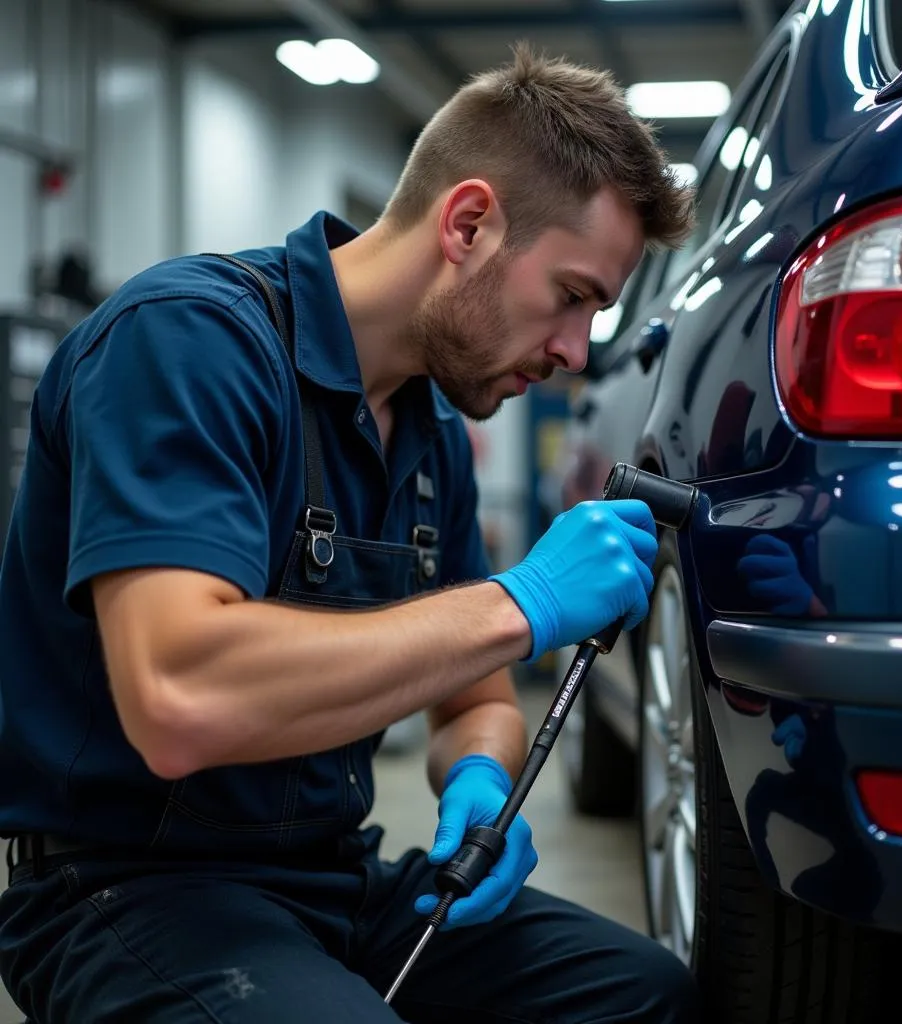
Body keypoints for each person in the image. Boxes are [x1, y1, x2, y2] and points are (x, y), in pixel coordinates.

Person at [0, 44, 699, 1023]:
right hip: (127, 888)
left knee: (646, 997)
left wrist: (481, 779)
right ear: (468, 224)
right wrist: (522, 601)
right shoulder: (187, 344)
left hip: (333, 878)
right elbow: (179, 695)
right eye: (573, 296)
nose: (576, 353)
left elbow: (474, 702)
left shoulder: (430, 438)